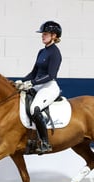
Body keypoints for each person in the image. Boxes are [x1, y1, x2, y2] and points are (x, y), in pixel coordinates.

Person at [15, 21, 62, 154]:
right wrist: (20, 81)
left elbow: (51, 75)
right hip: (37, 85)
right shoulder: (42, 51)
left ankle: (45, 143)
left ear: (54, 35)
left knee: (34, 109)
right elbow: (33, 73)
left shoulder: (55, 53)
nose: (42, 36)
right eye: (42, 34)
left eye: (45, 34)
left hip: (49, 87)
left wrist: (32, 83)